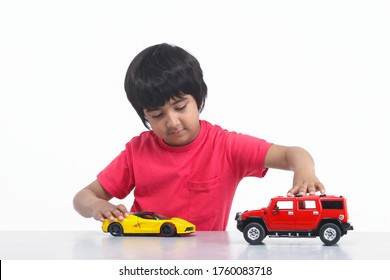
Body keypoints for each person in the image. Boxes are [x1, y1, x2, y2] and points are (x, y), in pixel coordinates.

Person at [73, 43, 325, 231]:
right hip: (142, 256)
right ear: (144, 115)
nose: (172, 122)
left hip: (205, 260)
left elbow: (292, 153)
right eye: (157, 115)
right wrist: (97, 206)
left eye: (180, 107)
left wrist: (304, 171)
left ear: (200, 99)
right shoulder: (137, 151)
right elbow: (82, 197)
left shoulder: (225, 146)